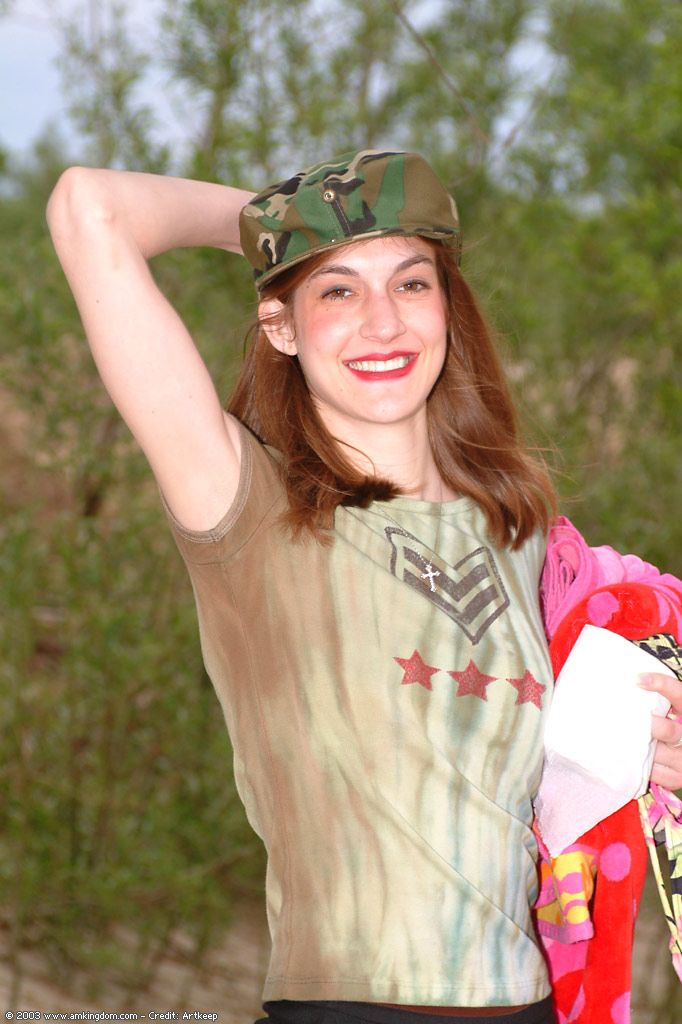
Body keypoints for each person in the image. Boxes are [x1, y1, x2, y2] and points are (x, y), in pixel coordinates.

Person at [46, 149, 682, 1024]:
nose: (382, 322)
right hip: (347, 1006)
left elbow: (563, 795)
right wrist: (294, 227)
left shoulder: (528, 538)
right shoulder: (246, 507)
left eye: (411, 283)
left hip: (533, 1007)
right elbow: (89, 208)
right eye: (338, 292)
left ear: (447, 309)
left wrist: (657, 758)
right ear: (281, 327)